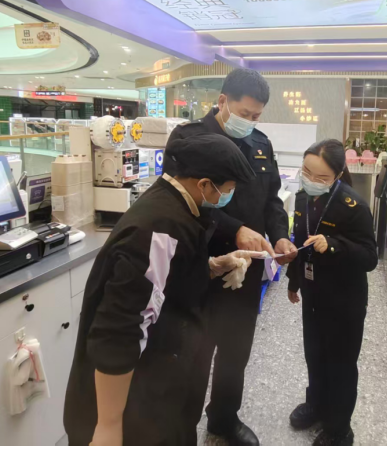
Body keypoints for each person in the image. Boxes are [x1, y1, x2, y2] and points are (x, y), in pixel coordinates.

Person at [63, 133, 261, 446]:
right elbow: (120, 333)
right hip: (135, 405)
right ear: (204, 184)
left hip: (164, 379)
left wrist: (211, 267)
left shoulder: (175, 206)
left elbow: (164, 283)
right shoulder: (159, 229)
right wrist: (109, 425)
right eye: (228, 188)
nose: (229, 195)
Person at [166, 68, 297, 445]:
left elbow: (272, 200)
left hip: (247, 269)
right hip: (202, 265)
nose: (251, 121)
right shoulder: (189, 139)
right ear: (223, 101)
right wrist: (234, 229)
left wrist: (280, 236)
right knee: (195, 351)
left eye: (257, 115)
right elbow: (180, 201)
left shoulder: (260, 143)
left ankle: (223, 417)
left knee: (236, 350)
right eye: (245, 113)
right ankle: (181, 429)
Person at [287, 139, 378, 446]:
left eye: (321, 177)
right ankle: (316, 405)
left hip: (344, 300)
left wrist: (334, 245)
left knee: (340, 363)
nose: (312, 180)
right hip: (313, 294)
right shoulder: (303, 197)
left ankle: (340, 428)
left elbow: (370, 257)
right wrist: (293, 282)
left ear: (338, 175)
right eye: (307, 172)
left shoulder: (353, 206)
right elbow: (299, 243)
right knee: (314, 354)